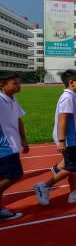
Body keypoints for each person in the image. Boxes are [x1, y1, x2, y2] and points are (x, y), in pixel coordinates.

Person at [34, 70, 76, 205]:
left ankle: (74, 193)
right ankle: (44, 186)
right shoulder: (67, 97)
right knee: (74, 166)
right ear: (71, 82)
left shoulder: (73, 96)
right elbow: (63, 120)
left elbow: (75, 120)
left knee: (74, 167)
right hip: (69, 139)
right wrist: (62, 141)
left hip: (75, 137)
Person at [0, 71, 29, 220]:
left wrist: (23, 140)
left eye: (19, 82)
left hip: (12, 144)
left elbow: (18, 120)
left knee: (3, 177)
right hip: (4, 147)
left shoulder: (12, 99)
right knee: (15, 175)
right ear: (2, 85)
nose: (19, 86)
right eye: (15, 83)